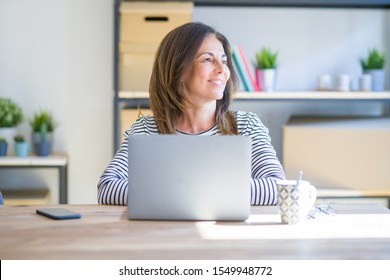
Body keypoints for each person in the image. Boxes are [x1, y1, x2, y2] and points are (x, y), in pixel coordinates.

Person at [98, 22, 286, 206]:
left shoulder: (246, 125)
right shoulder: (146, 129)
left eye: (224, 60)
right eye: (207, 59)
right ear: (178, 70)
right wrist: (213, 192)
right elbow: (107, 187)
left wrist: (180, 192)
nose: (222, 70)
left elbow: (279, 188)